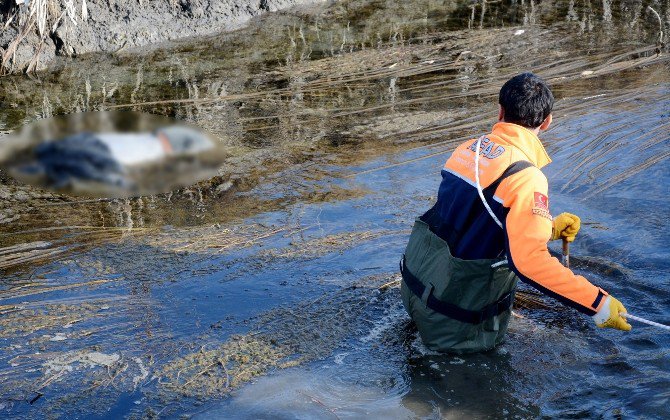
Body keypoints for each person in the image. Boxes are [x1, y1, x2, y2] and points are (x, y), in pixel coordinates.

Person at [400, 72, 631, 353]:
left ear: (500, 111)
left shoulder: (467, 150)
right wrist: (598, 303)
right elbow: (529, 263)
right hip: (456, 319)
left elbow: (474, 219)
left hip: (418, 290)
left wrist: (549, 227)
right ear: (547, 122)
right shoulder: (525, 177)